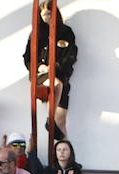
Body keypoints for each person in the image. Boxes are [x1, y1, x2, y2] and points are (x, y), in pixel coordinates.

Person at [22, 0, 77, 137]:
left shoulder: (66, 32)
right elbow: (27, 57)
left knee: (61, 123)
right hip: (41, 76)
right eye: (44, 14)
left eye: (50, 13)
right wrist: (39, 67)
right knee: (55, 84)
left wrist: (55, 67)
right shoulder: (35, 34)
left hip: (61, 77)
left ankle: (64, 151)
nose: (47, 17)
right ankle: (50, 119)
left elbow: (71, 56)